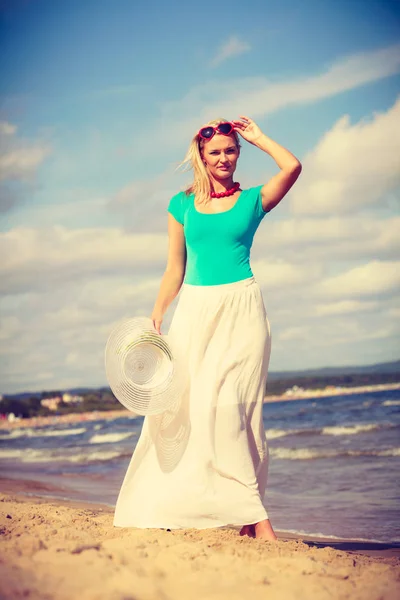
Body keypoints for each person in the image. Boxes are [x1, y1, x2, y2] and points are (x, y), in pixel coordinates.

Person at [113, 116, 302, 540]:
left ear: (238, 154)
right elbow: (173, 268)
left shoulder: (254, 200)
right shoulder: (180, 205)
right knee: (193, 411)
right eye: (215, 151)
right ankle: (246, 517)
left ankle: (256, 517)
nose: (223, 158)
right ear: (201, 155)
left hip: (243, 310)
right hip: (195, 312)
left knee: (237, 411)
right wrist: (158, 310)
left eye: (230, 150)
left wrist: (258, 137)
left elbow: (291, 167)